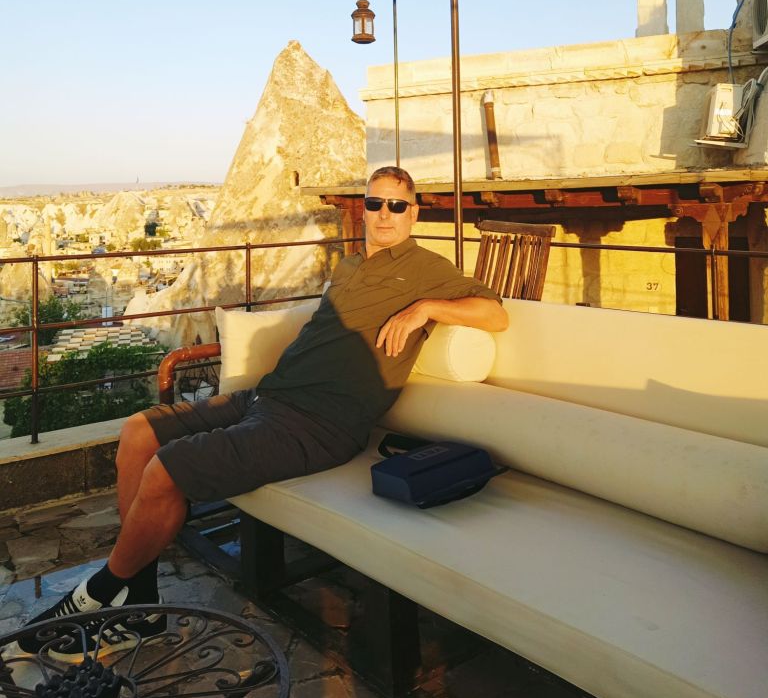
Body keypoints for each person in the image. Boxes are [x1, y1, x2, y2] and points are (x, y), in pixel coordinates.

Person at [20, 166, 507, 657]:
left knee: (167, 468)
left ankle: (98, 593)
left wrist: (424, 309)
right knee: (138, 431)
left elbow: (495, 313)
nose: (385, 214)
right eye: (375, 203)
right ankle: (142, 602)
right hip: (268, 397)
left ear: (413, 213)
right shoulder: (349, 266)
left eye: (397, 206)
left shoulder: (425, 267)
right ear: (364, 208)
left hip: (318, 424)